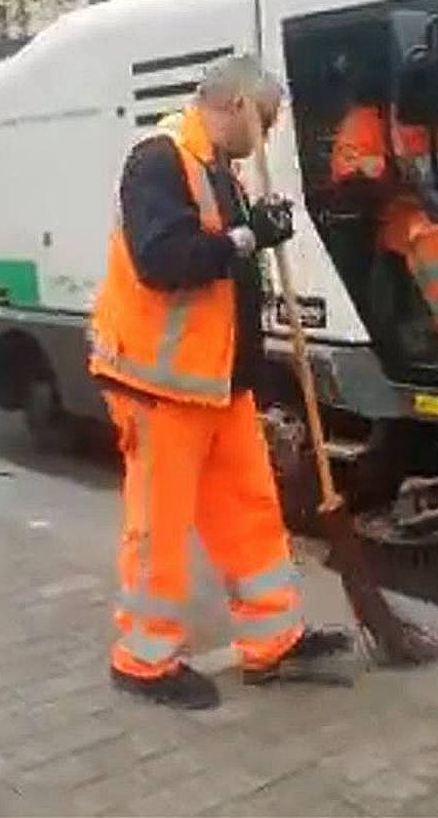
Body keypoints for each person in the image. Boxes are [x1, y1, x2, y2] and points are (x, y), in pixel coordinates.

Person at [89, 54, 351, 710]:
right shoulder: (158, 159)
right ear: (234, 106)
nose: (267, 134)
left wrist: (257, 236)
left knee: (252, 515)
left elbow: (228, 269)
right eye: (264, 120)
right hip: (160, 387)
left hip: (219, 384)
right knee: (161, 531)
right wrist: (243, 238)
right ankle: (143, 660)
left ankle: (273, 641)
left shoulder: (220, 170)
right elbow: (161, 260)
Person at [328, 79, 438, 350]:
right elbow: (345, 169)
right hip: (402, 212)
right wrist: (382, 166)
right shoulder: (369, 121)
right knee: (429, 235)